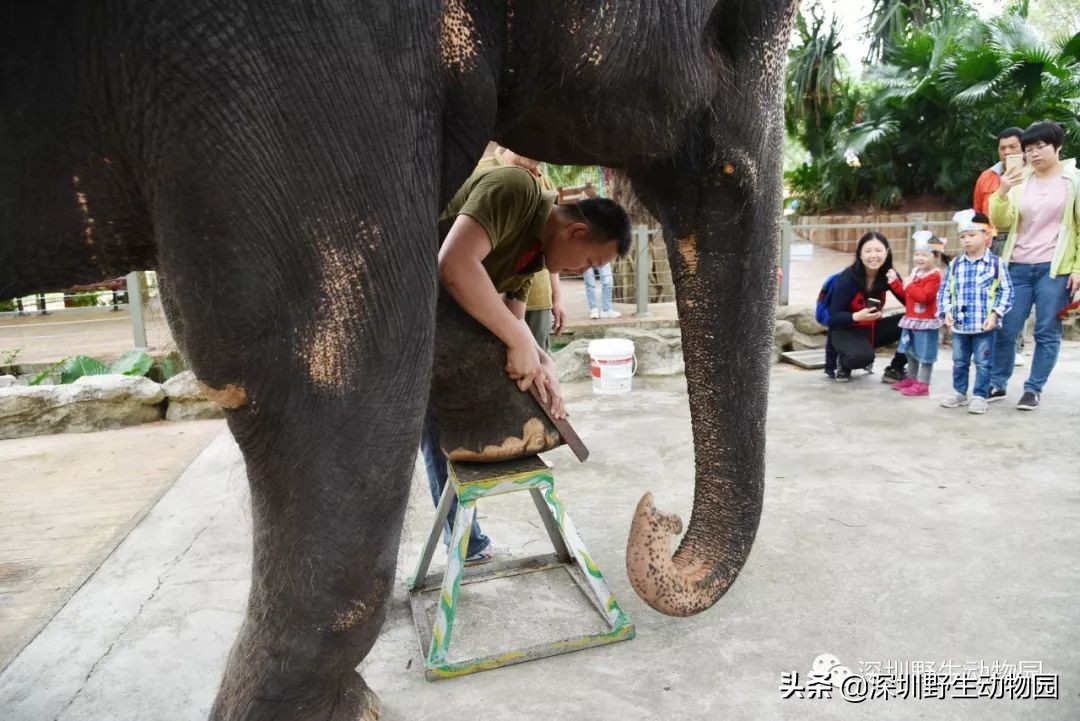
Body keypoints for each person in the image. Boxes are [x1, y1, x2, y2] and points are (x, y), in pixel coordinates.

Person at [423, 163, 632, 563]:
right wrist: (520, 340)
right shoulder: (516, 188)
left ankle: (467, 542)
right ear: (577, 231)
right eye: (588, 263)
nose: (580, 272)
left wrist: (542, 361)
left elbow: (512, 320)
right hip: (397, 292)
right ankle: (461, 543)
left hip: (437, 316)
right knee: (431, 420)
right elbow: (454, 263)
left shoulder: (533, 256)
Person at [988, 120, 1080, 411]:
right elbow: (1001, 223)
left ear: (1058, 147)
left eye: (1041, 146)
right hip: (1017, 265)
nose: (1035, 153)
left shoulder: (1073, 181)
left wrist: (1078, 268)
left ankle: (1033, 388)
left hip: (1055, 268)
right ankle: (997, 382)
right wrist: (1002, 192)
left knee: (1046, 331)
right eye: (1029, 149)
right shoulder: (1019, 181)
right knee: (1006, 327)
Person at [937, 211, 1014, 414]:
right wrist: (946, 311)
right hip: (961, 326)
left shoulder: (997, 264)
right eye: (963, 236)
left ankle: (980, 395)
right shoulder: (955, 265)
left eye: (972, 235)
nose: (967, 240)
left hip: (984, 326)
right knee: (959, 361)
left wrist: (995, 314)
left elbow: (1006, 292)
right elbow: (944, 291)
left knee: (983, 362)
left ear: (986, 236)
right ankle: (960, 392)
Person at [824, 232, 908, 382]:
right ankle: (843, 361)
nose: (873, 256)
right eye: (868, 251)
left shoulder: (889, 275)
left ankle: (896, 368)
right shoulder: (847, 278)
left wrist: (896, 284)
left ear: (887, 252)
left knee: (916, 323)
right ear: (860, 254)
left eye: (878, 250)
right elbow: (833, 317)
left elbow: (912, 305)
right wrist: (856, 316)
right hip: (845, 330)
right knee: (862, 358)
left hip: (872, 329)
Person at [886, 231, 946, 397]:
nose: (919, 258)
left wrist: (908, 284)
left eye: (925, 255)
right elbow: (907, 295)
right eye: (917, 254)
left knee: (925, 353)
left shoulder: (934, 277)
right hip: (911, 320)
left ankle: (923, 384)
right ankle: (912, 378)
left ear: (935, 256)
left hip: (926, 321)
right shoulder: (915, 273)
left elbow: (923, 297)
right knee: (910, 350)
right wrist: (895, 282)